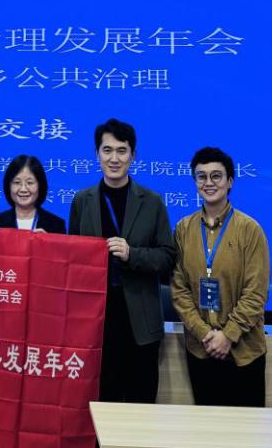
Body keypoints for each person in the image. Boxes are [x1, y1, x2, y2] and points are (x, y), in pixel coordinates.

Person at [68, 118, 176, 403]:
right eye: (107, 150)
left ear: (133, 155)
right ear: (97, 154)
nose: (114, 158)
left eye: (121, 150)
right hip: (97, 321)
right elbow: (72, 259)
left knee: (141, 407)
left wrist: (132, 255)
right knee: (102, 404)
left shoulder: (152, 202)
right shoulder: (82, 201)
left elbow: (167, 257)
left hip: (139, 322)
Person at [171, 146, 270, 407]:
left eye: (216, 176)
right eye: (201, 176)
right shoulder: (183, 229)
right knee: (206, 428)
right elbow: (179, 290)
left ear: (230, 181)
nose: (209, 183)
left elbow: (256, 293)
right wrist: (205, 333)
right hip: (201, 350)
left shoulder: (250, 230)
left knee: (246, 429)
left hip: (244, 352)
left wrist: (227, 335)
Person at [0, 155, 66, 234]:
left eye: (30, 183)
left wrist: (47, 240)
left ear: (40, 185)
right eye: (17, 182)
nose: (23, 189)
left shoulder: (56, 225)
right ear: (8, 186)